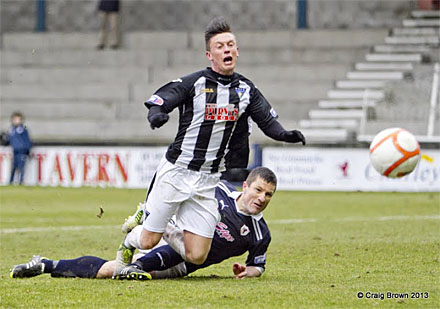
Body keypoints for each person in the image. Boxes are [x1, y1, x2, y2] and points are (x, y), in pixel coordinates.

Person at [114, 16, 305, 276]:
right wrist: (156, 115)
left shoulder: (246, 90)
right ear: (209, 54)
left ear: (237, 50)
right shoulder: (195, 83)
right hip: (177, 170)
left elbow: (266, 121)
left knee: (197, 254)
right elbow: (163, 99)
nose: (227, 49)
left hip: (208, 180)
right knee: (148, 241)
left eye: (231, 45)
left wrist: (286, 135)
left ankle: (151, 216)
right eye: (220, 46)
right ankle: (130, 241)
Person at [10, 167, 277, 280]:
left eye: (268, 195)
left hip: (180, 259)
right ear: (245, 185)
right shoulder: (216, 188)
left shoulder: (259, 233)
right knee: (122, 269)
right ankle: (150, 219)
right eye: (258, 190)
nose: (261, 198)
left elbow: (258, 266)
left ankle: (46, 265)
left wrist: (246, 271)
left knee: (115, 271)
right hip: (171, 229)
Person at [4, 112, 32, 185]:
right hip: (15, 151)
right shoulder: (11, 129)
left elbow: (27, 140)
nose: (16, 121)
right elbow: (9, 140)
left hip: (22, 151)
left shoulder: (23, 129)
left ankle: (21, 181)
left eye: (18, 119)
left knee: (21, 167)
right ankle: (11, 181)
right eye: (14, 119)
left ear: (21, 120)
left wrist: (28, 150)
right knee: (14, 167)